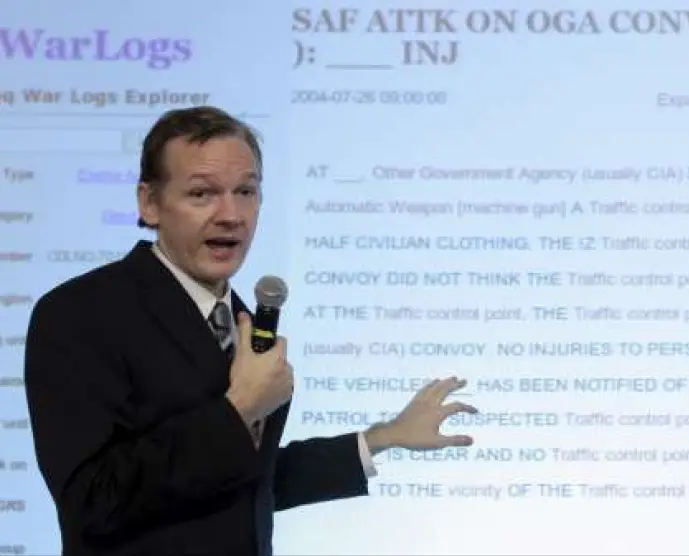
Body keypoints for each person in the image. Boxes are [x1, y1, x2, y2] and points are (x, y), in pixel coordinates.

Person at [23, 105, 478, 556]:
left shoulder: (242, 318)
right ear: (150, 203)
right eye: (202, 193)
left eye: (245, 191)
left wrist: (382, 438)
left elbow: (239, 483)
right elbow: (92, 502)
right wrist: (239, 408)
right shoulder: (80, 313)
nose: (231, 214)